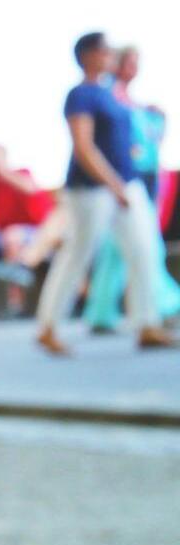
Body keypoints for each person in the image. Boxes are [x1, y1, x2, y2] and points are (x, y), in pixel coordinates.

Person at [34, 32, 173, 355]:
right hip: (94, 189)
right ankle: (48, 326)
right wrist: (113, 186)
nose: (111, 56)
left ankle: (147, 323)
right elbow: (84, 147)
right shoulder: (81, 95)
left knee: (144, 252)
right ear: (90, 55)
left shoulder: (113, 96)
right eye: (105, 51)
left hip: (127, 185)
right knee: (78, 254)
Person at [82, 46, 180, 333]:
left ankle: (100, 314)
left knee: (117, 250)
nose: (134, 68)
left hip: (140, 179)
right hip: (123, 180)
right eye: (130, 61)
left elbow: (152, 143)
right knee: (145, 246)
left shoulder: (131, 102)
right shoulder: (108, 96)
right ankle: (164, 306)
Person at [0, 146, 56, 315]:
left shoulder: (21, 173)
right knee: (9, 237)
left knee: (13, 236)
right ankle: (17, 290)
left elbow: (29, 188)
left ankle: (17, 297)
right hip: (3, 238)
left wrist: (3, 170)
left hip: (36, 232)